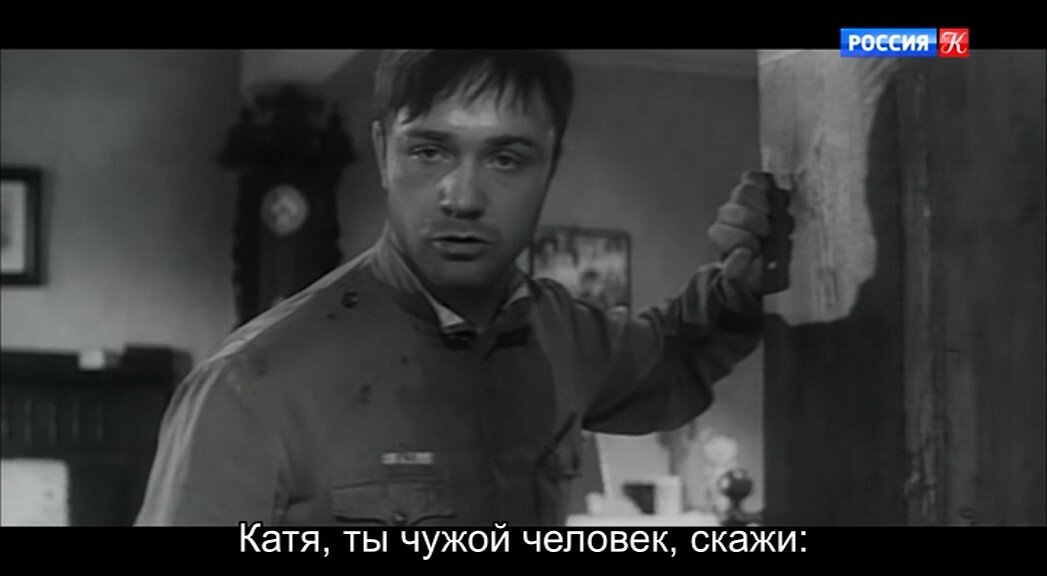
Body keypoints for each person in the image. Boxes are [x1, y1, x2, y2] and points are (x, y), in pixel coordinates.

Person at [135, 49, 792, 527]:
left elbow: (675, 356)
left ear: (551, 165)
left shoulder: (564, 335)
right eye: (429, 151)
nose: (463, 196)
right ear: (384, 153)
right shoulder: (249, 387)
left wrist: (740, 280)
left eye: (506, 158)